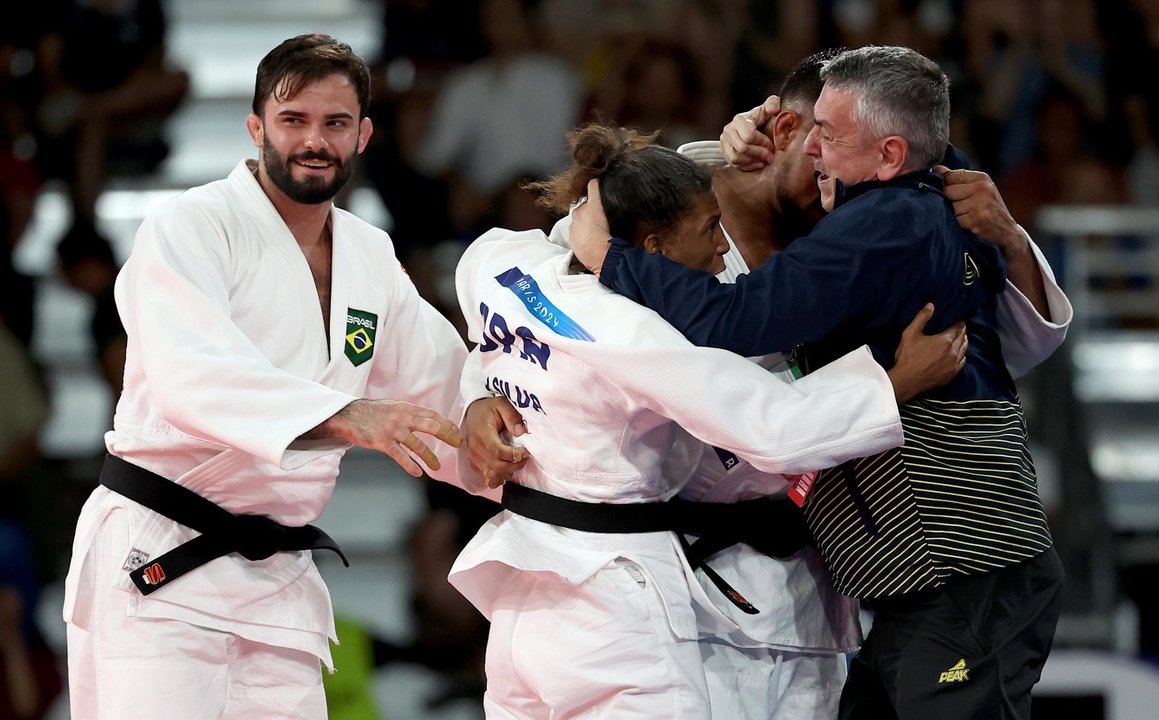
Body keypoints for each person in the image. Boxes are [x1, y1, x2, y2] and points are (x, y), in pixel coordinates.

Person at [570, 45, 1065, 720]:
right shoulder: (927, 194)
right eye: (810, 134)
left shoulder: (882, 223)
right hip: (920, 588)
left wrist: (613, 261)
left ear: (888, 155)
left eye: (827, 138)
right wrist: (725, 152)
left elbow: (736, 318)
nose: (814, 155)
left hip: (956, 571)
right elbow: (914, 123)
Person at [450, 121, 968, 719]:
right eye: (708, 229)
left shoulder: (499, 257)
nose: (721, 247)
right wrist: (896, 384)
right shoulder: (638, 335)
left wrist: (479, 395)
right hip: (618, 599)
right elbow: (769, 424)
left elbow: (496, 343)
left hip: (529, 596)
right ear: (651, 251)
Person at [60, 34, 507, 720]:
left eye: (334, 124)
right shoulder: (191, 227)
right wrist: (343, 416)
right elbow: (193, 375)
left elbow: (441, 381)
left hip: (277, 582)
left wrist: (488, 425)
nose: (314, 141)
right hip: (162, 560)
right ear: (256, 127)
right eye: (293, 121)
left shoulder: (367, 253)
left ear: (362, 135)